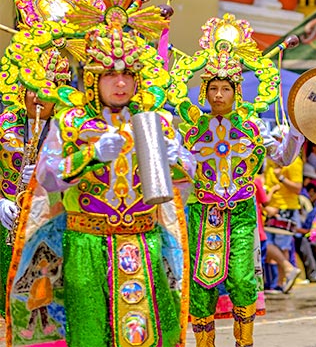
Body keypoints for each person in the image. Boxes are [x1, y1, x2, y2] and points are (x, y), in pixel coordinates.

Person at [35, 20, 197, 346]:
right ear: (94, 79)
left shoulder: (156, 122)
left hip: (140, 239)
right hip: (85, 241)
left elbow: (187, 182)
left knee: (140, 329)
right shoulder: (71, 122)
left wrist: (174, 159)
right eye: (110, 74)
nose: (120, 83)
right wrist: (90, 155)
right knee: (88, 331)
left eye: (127, 75)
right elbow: (47, 178)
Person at [170, 14, 304, 347]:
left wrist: (296, 134)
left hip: (243, 211)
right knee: (202, 283)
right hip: (203, 211)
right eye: (212, 88)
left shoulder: (254, 127)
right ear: (204, 90)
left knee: (243, 279)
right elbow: (176, 166)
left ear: (236, 90)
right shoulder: (191, 128)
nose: (218, 95)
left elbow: (282, 158)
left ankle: (245, 343)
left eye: (225, 88)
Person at [0, 48, 71, 319]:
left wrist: (49, 179)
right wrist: (0, 203)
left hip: (50, 229)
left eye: (46, 89)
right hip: (6, 227)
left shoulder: (67, 132)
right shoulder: (4, 125)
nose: (37, 97)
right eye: (32, 88)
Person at [264, 126, 305, 293]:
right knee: (270, 244)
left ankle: (282, 282)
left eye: (278, 139)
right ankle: (282, 281)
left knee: (281, 246)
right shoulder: (271, 159)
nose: (275, 142)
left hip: (286, 207)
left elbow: (297, 187)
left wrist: (281, 177)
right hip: (272, 206)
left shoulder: (293, 160)